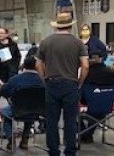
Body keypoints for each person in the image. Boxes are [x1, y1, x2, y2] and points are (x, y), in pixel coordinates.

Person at [37, 13, 89, 156]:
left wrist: (44, 80)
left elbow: (38, 65)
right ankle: (70, 151)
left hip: (51, 84)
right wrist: (79, 82)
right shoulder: (78, 43)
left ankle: (53, 152)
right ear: (71, 25)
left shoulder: (46, 42)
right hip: (71, 85)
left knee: (52, 121)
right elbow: (85, 66)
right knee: (70, 121)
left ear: (56, 26)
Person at [0, 56, 45, 150]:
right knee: (30, 110)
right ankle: (25, 140)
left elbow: (4, 92)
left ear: (24, 65)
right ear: (36, 66)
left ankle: (11, 139)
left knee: (4, 112)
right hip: (37, 112)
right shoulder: (42, 81)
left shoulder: (16, 79)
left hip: (18, 111)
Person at [80, 51, 114, 143]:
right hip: (109, 106)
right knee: (99, 107)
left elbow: (81, 92)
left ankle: (83, 133)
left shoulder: (86, 73)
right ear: (101, 59)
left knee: (70, 108)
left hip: (88, 105)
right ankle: (88, 134)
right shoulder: (112, 73)